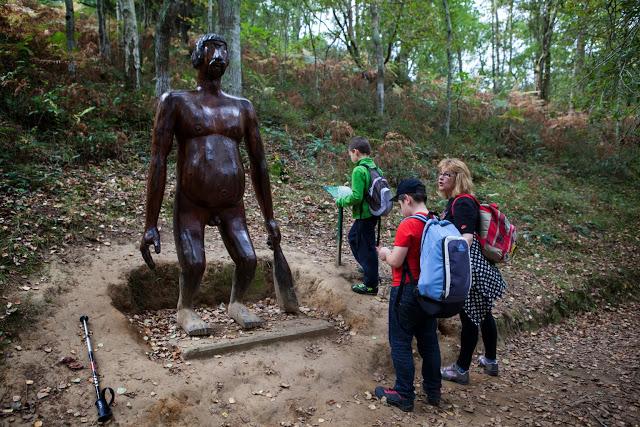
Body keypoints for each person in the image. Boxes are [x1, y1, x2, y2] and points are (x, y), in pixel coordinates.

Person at [139, 33, 293, 334]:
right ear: (198, 57)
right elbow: (158, 161)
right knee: (194, 263)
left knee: (248, 260)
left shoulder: (242, 107)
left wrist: (269, 218)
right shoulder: (176, 102)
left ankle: (236, 303)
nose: (219, 56)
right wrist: (150, 223)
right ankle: (184, 308)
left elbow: (260, 164)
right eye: (211, 50)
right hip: (191, 202)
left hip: (231, 203)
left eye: (223, 50)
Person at [436, 158, 507, 384]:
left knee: (469, 318)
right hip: (475, 266)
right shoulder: (458, 201)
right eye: (440, 173)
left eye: (447, 174)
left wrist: (452, 261)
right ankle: (490, 361)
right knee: (483, 313)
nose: (441, 177)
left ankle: (461, 369)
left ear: (458, 178)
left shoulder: (463, 202)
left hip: (471, 268)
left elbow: (466, 237)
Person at [374, 178, 441, 411]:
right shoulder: (436, 221)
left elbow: (396, 260)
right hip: (430, 293)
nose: (401, 209)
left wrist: (384, 252)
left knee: (400, 341)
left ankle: (404, 394)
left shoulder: (409, 225)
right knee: (429, 343)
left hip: (406, 292)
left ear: (408, 199)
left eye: (400, 204)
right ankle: (433, 391)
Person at [336, 136, 381, 295]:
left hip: (364, 214)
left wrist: (341, 200)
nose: (350, 157)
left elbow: (356, 197)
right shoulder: (374, 168)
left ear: (355, 151)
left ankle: (371, 284)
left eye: (350, 154)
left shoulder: (359, 170)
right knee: (354, 237)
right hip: (374, 212)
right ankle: (370, 269)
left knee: (365, 246)